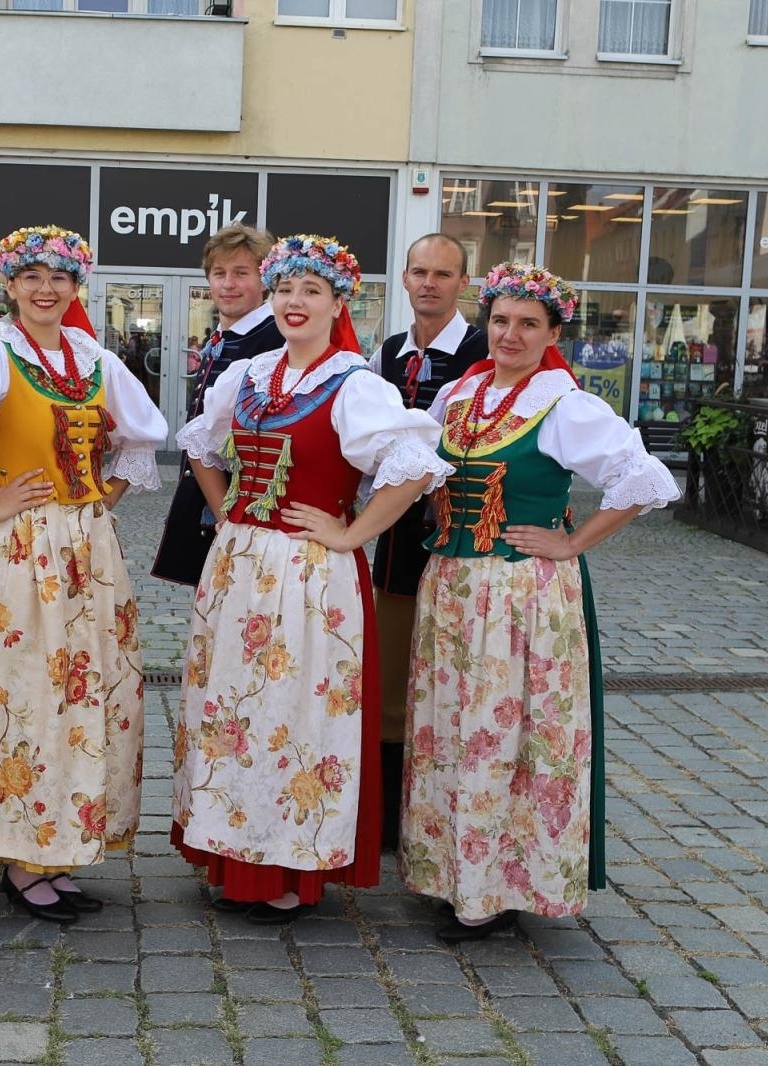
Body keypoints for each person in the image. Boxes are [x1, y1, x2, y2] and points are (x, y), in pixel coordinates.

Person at [171, 235, 451, 923]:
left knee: (295, 715)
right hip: (238, 569)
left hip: (310, 575)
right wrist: (227, 512)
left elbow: (416, 466)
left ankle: (291, 868)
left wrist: (353, 533)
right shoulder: (251, 373)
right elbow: (201, 446)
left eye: (311, 292)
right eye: (285, 290)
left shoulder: (356, 384)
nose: (294, 303)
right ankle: (234, 852)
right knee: (234, 711)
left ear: (338, 302)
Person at [400, 263, 680, 942]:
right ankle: (453, 872)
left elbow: (642, 478)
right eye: (500, 320)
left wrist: (572, 541)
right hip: (453, 589)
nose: (510, 334)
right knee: (451, 730)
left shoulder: (563, 403)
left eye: (528, 324)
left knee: (510, 735)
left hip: (520, 593)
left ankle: (498, 886)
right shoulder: (464, 393)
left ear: (554, 333)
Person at [0, 226, 167, 923]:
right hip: (17, 551)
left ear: (77, 287)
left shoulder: (94, 358)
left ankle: (58, 844)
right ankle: (20, 855)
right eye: (32, 277)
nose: (47, 289)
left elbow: (142, 438)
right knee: (23, 692)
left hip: (88, 551)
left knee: (85, 694)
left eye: (60, 277)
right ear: (10, 286)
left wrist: (101, 496)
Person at [366, 233, 488, 851]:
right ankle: (389, 814)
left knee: (455, 677)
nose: (430, 283)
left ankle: (452, 807)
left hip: (463, 535)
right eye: (420, 272)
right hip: (395, 543)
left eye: (444, 274)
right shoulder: (388, 351)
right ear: (406, 279)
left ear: (462, 283)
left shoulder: (489, 348)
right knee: (388, 677)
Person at [152, 223, 285, 586]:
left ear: (264, 280)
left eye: (241, 273)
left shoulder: (274, 337)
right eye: (219, 273)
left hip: (243, 504)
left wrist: (224, 513)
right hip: (209, 500)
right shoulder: (227, 335)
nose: (228, 284)